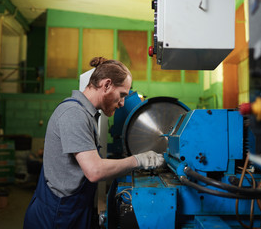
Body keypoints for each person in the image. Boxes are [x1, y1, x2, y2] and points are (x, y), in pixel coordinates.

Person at [24, 57, 164, 229]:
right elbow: (94, 171)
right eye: (122, 95)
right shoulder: (73, 113)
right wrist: (140, 160)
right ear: (106, 85)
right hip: (57, 216)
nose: (122, 103)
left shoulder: (86, 115)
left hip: (72, 210)